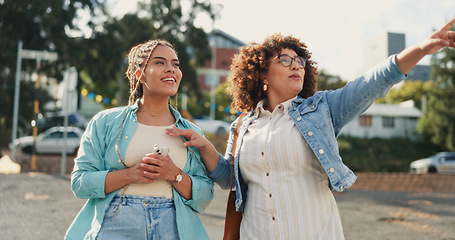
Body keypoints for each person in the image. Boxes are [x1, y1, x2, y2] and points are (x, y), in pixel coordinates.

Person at [166, 18, 455, 239]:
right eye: (286, 60)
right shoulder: (244, 124)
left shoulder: (322, 108)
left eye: (300, 61)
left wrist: (422, 48)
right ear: (261, 74)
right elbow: (229, 178)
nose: (297, 66)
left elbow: (372, 83)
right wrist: (205, 145)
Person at [65, 39, 214, 240]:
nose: (171, 69)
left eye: (175, 64)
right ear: (140, 74)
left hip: (173, 228)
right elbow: (80, 183)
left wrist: (175, 174)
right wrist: (130, 175)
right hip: (116, 225)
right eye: (160, 62)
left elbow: (204, 196)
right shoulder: (106, 122)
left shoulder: (191, 132)